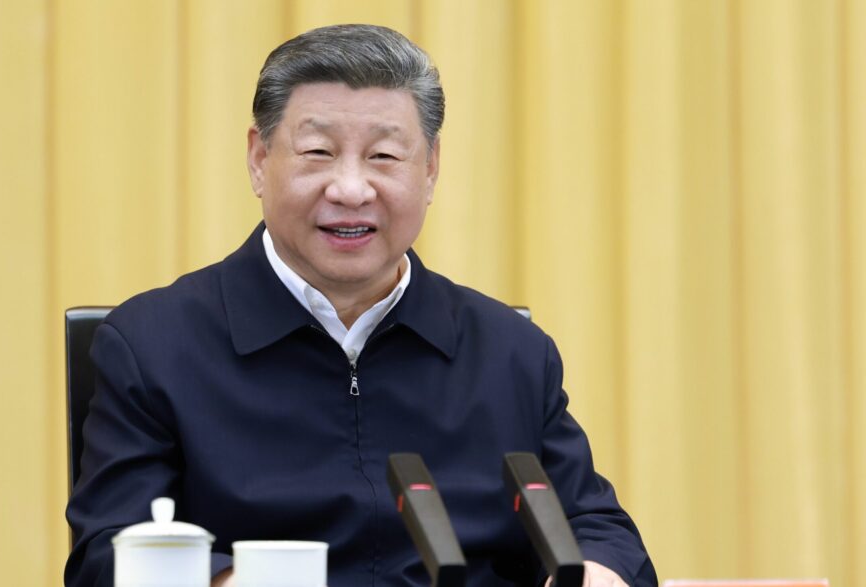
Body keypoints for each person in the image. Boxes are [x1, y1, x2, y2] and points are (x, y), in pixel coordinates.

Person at [66, 24, 656, 587]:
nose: (351, 189)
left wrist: (597, 570)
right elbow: (105, 556)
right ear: (258, 159)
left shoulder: (510, 354)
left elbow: (596, 527)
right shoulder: (154, 346)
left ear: (430, 170)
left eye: (384, 158)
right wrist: (232, 578)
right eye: (318, 151)